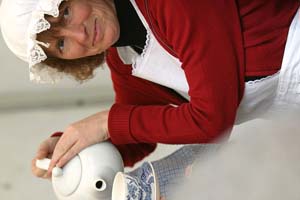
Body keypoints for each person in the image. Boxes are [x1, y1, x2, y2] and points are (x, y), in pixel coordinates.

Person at [1, 0, 300, 198]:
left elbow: (212, 119)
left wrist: (105, 122)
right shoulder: (126, 60)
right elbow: (139, 131)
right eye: (62, 44)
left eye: (65, 12)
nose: (80, 35)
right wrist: (72, 151)